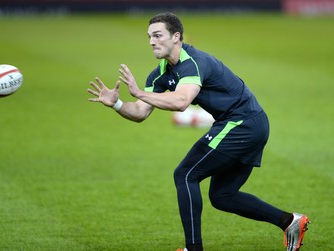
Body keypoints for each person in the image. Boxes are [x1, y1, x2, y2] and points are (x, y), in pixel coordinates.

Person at [87, 12, 310, 251]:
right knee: (222, 196)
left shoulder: (193, 62)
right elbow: (140, 112)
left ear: (176, 36)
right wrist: (117, 104)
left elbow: (182, 101)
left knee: (184, 174)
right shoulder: (160, 74)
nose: (152, 41)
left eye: (158, 35)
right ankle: (289, 222)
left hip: (242, 123)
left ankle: (194, 249)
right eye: (149, 36)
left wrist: (139, 92)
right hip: (246, 124)